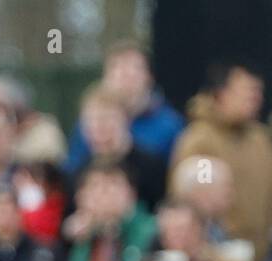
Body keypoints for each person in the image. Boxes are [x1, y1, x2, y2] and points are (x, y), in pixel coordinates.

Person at [171, 63, 272, 261]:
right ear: (221, 94)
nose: (256, 99)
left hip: (265, 255)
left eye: (257, 93)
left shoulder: (262, 140)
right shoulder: (200, 141)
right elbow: (197, 197)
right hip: (219, 258)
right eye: (247, 92)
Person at [65, 40, 184, 170]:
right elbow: (73, 171)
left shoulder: (170, 125)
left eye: (133, 68)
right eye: (116, 67)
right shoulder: (87, 124)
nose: (124, 75)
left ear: (149, 76)